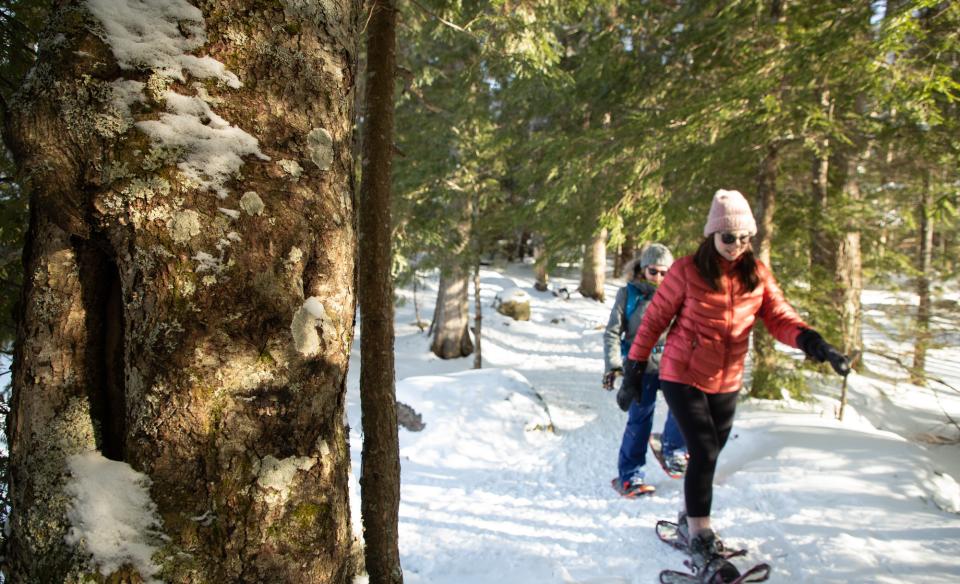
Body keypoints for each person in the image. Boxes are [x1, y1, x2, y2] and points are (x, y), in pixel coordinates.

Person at [619, 189, 850, 576]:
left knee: (709, 454)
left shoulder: (755, 273)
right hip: (683, 373)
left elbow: (780, 317)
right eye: (729, 237)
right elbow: (655, 319)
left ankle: (686, 518)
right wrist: (634, 368)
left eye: (745, 237)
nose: (737, 245)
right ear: (713, 234)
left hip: (727, 379)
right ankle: (700, 533)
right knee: (705, 449)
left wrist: (815, 343)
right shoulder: (687, 271)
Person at [603, 244, 687, 498]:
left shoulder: (680, 294)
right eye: (653, 271)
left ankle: (672, 447)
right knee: (640, 419)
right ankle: (629, 475)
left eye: (665, 272)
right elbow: (613, 332)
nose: (659, 278)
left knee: (684, 406)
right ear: (643, 269)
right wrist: (613, 365)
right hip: (640, 365)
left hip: (672, 363)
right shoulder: (629, 294)